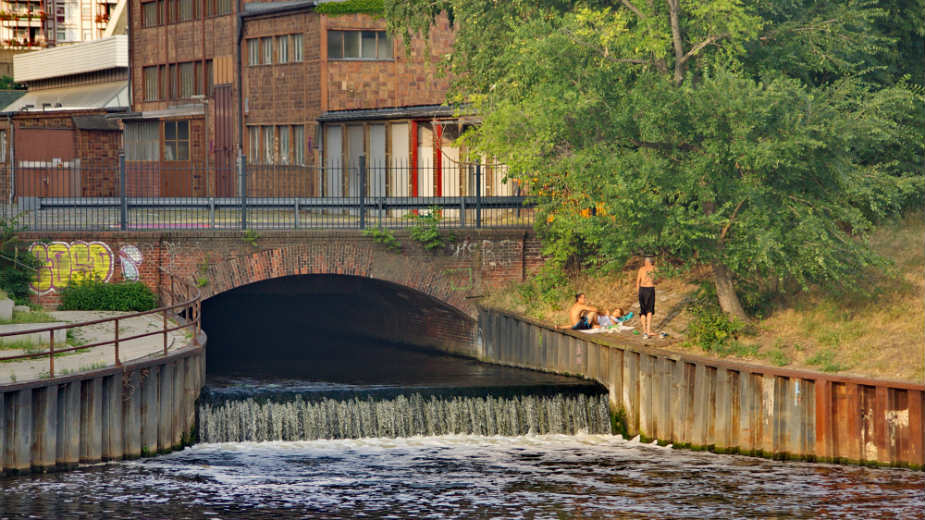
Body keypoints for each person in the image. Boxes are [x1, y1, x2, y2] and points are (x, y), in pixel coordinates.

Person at [636, 256, 657, 338]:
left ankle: (644, 330)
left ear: (647, 262)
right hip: (649, 289)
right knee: (649, 310)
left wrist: (638, 292)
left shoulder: (641, 269)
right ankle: (648, 331)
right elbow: (657, 279)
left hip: (641, 290)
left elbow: (637, 282)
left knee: (643, 310)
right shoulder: (654, 268)